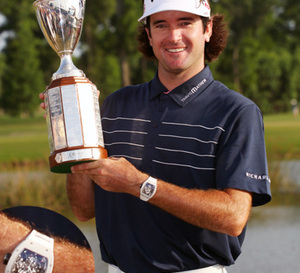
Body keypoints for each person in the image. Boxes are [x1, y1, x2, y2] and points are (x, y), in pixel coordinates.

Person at [42, 0, 272, 272]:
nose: (173, 36)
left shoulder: (237, 112)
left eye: (185, 23)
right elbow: (83, 209)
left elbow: (233, 217)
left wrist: (140, 185)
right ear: (149, 35)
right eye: (161, 25)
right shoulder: (116, 105)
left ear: (207, 29)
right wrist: (73, 128)